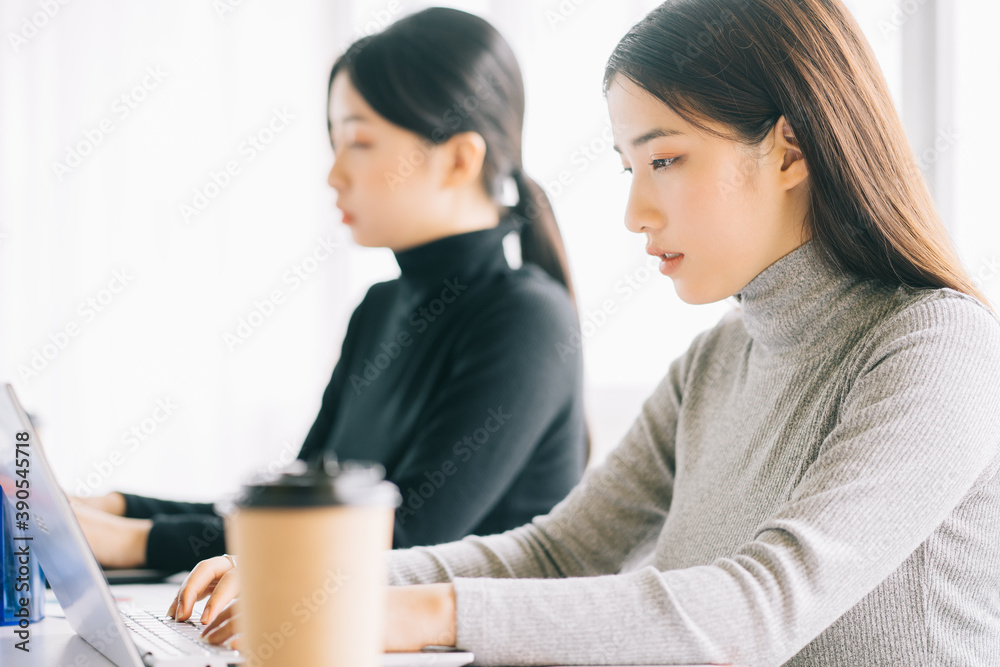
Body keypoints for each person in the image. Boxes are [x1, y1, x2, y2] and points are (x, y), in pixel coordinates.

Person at [170, 0, 1000, 664]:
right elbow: (560, 552)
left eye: (665, 159)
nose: (635, 213)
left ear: (789, 152)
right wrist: (311, 583)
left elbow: (758, 607)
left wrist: (401, 612)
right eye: (627, 167)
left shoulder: (936, 348)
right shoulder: (715, 360)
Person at [72, 7, 588, 574]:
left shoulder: (527, 319)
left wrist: (135, 542)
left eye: (359, 142)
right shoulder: (379, 309)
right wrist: (120, 510)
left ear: (460, 158)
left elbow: (403, 541)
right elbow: (296, 512)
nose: (334, 173)